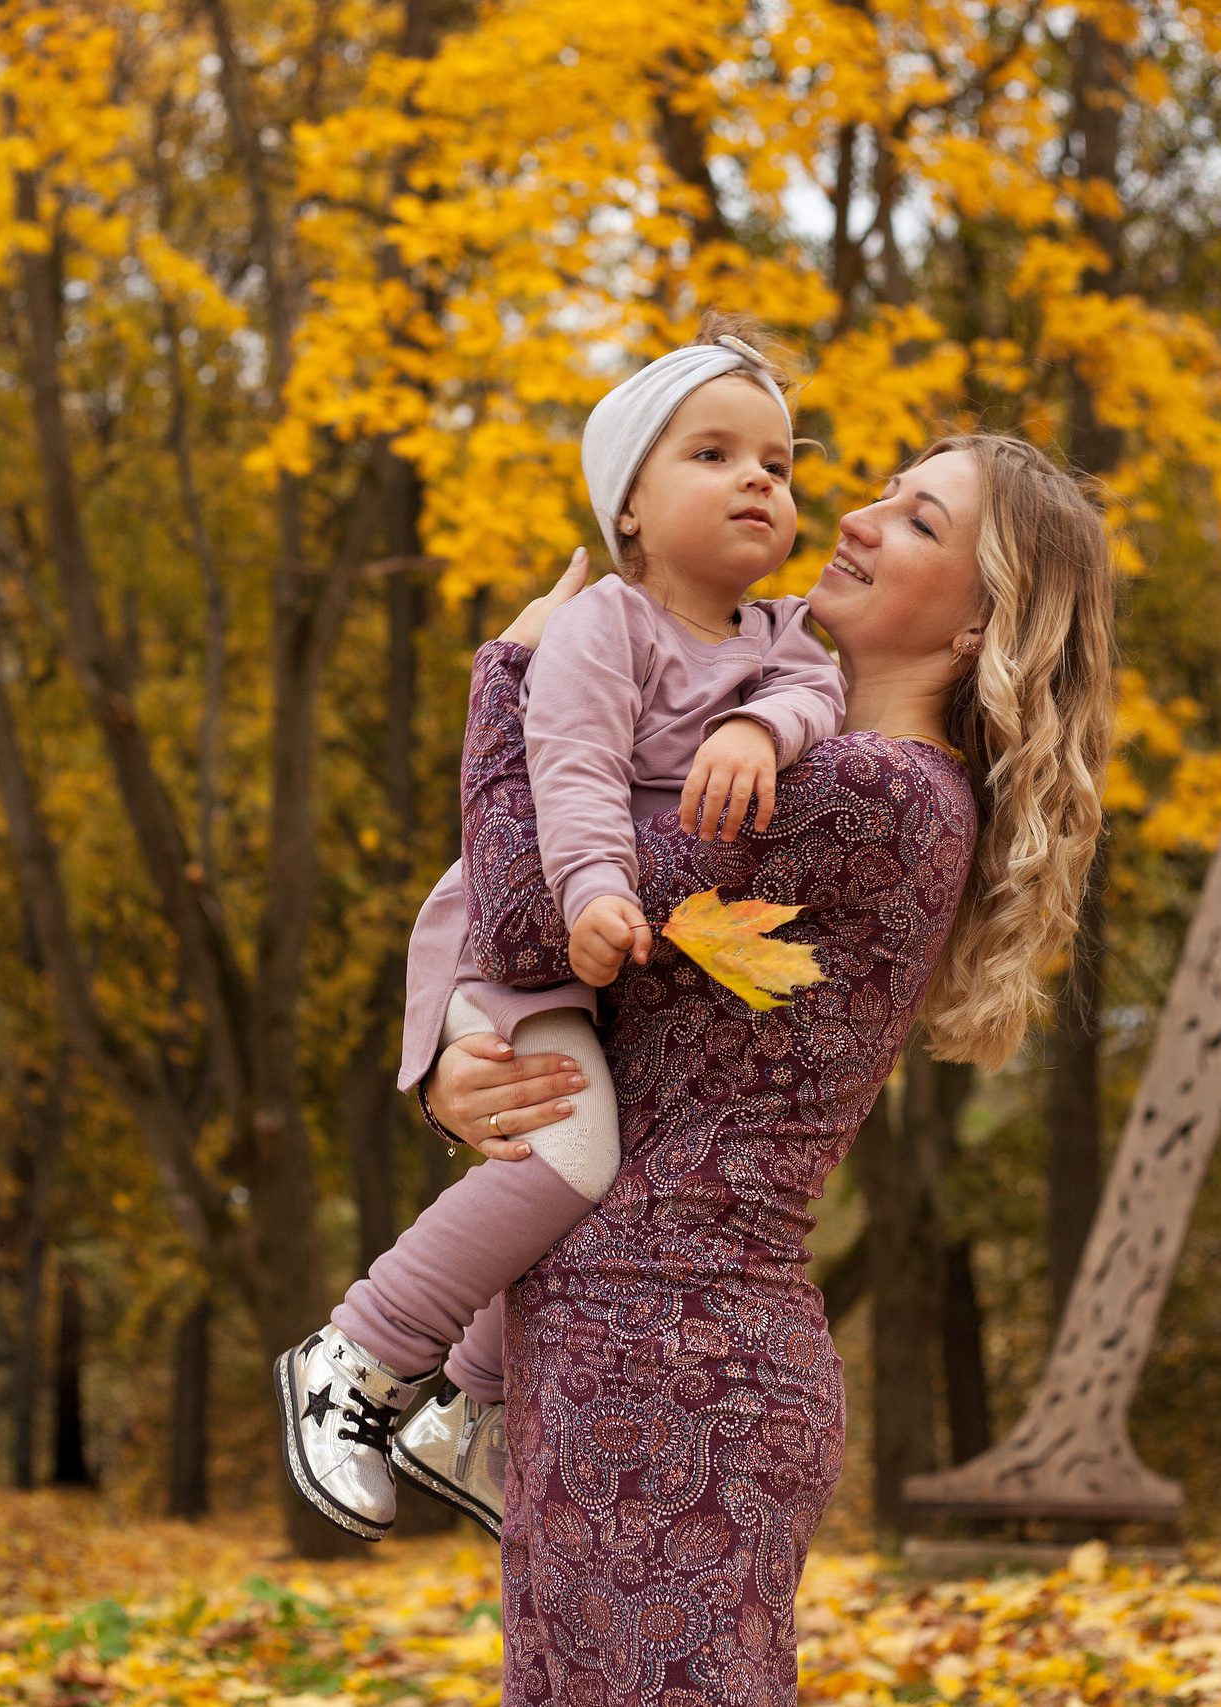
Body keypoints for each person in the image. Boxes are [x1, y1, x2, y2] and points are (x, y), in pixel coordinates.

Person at [430, 432, 1116, 1705]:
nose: (852, 517)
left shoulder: (866, 797)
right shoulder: (798, 771)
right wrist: (455, 1077)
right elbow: (584, 993)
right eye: (880, 491)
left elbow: (526, 909)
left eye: (918, 522)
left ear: (980, 624)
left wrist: (513, 674)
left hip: (667, 1358)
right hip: (628, 1342)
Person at [275, 317, 847, 1542]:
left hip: (614, 957)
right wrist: (592, 891)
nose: (758, 476)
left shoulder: (779, 640)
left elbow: (815, 692)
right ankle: (362, 1354)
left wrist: (759, 732)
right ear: (626, 510)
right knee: (564, 1159)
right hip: (519, 929)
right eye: (712, 453)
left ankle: (471, 1412)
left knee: (611, 1174)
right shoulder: (606, 628)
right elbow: (572, 768)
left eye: (779, 461)